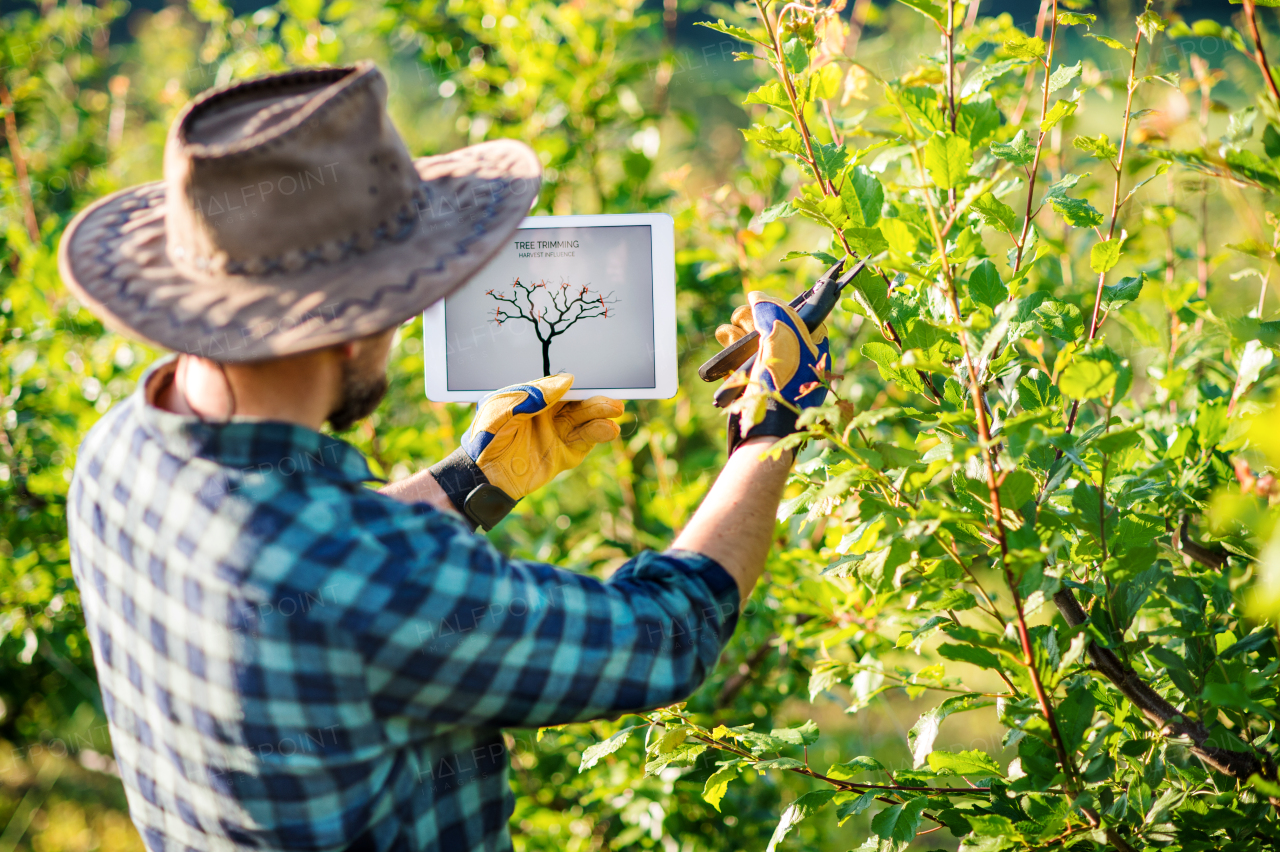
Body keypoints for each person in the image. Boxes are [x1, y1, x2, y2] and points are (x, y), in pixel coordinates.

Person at [59, 62, 833, 852]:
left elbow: (310, 574)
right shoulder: (374, 572)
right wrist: (768, 432)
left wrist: (469, 481)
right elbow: (661, 639)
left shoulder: (118, 453)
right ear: (359, 321)